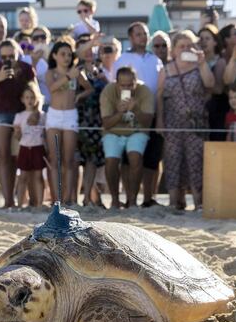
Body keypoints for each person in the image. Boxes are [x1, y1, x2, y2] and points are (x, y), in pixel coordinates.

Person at [156, 30, 215, 211]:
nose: (186, 49)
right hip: (172, 122)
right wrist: (160, 120)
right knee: (173, 161)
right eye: (182, 46)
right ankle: (175, 202)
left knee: (196, 161)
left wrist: (202, 62)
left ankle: (199, 202)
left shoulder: (199, 67)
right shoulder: (166, 70)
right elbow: (159, 96)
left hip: (196, 123)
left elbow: (210, 84)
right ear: (173, 50)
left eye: (190, 45)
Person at [114, 22, 165, 207]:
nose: (143, 37)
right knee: (129, 158)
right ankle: (130, 198)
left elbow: (159, 90)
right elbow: (117, 87)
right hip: (130, 114)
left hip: (152, 112)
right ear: (131, 37)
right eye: (138, 34)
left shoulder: (156, 60)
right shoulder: (122, 59)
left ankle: (149, 198)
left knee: (152, 157)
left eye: (145, 33)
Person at [0, 39, 36, 207]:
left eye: (11, 56)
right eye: (4, 57)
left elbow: (36, 93)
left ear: (18, 54)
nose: (7, 60)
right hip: (0, 114)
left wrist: (35, 112)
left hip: (21, 115)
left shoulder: (26, 69)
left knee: (17, 158)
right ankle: (8, 200)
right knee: (4, 157)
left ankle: (20, 198)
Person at [44, 38, 92, 205]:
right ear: (55, 55)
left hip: (70, 115)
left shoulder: (76, 72)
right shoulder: (51, 72)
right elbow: (52, 88)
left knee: (69, 159)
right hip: (54, 115)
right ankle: (56, 199)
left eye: (69, 54)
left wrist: (79, 95)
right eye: (62, 54)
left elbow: (89, 88)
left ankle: (68, 198)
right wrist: (68, 76)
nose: (66, 57)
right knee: (54, 158)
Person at [100, 67, 154, 208]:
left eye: (130, 85)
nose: (127, 88)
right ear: (117, 83)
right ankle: (115, 200)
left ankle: (132, 200)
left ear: (136, 82)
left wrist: (135, 109)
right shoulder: (108, 91)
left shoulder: (145, 91)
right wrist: (120, 112)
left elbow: (148, 122)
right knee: (111, 160)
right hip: (113, 132)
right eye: (123, 85)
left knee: (135, 157)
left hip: (137, 131)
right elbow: (106, 124)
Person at [76, 41, 106, 207]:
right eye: (85, 49)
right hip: (79, 119)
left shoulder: (100, 71)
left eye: (91, 49)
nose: (88, 52)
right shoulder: (76, 70)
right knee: (81, 161)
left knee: (92, 161)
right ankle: (87, 196)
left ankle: (89, 196)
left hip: (97, 120)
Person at [13, 83, 46, 207]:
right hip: (24, 148)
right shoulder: (19, 116)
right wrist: (17, 132)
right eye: (27, 97)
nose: (30, 100)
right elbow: (17, 137)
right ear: (22, 99)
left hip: (38, 147)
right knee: (23, 177)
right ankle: (20, 204)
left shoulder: (43, 116)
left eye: (32, 97)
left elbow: (45, 134)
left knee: (38, 176)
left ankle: (39, 204)